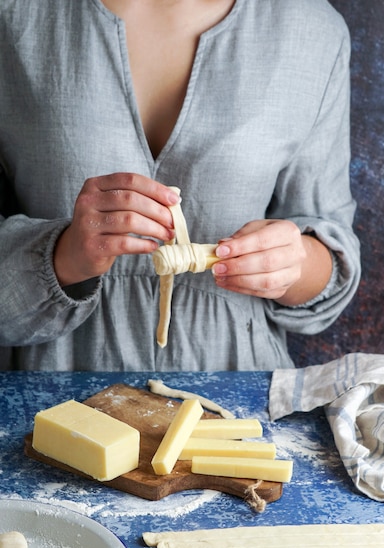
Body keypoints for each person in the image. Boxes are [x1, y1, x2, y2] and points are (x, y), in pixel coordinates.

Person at [0, 0, 361, 371]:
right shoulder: (14, 16)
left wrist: (292, 264)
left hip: (236, 387)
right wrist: (63, 257)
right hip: (48, 389)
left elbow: (331, 255)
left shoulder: (315, 30)